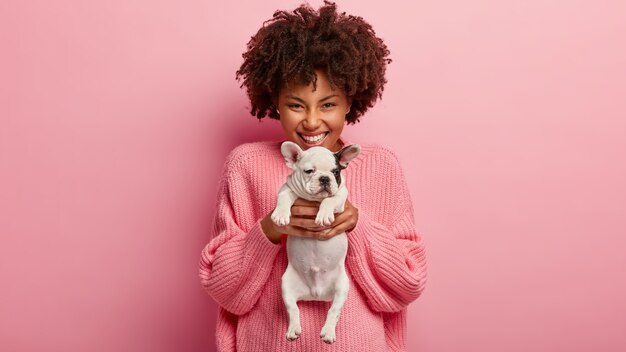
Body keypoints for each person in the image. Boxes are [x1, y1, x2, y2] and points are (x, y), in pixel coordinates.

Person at [199, 2, 427, 351]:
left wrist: (356, 226)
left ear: (351, 100)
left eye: (328, 104)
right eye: (295, 105)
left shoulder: (382, 166)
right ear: (274, 100)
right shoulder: (245, 165)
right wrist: (270, 230)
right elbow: (222, 288)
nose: (311, 121)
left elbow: (407, 284)